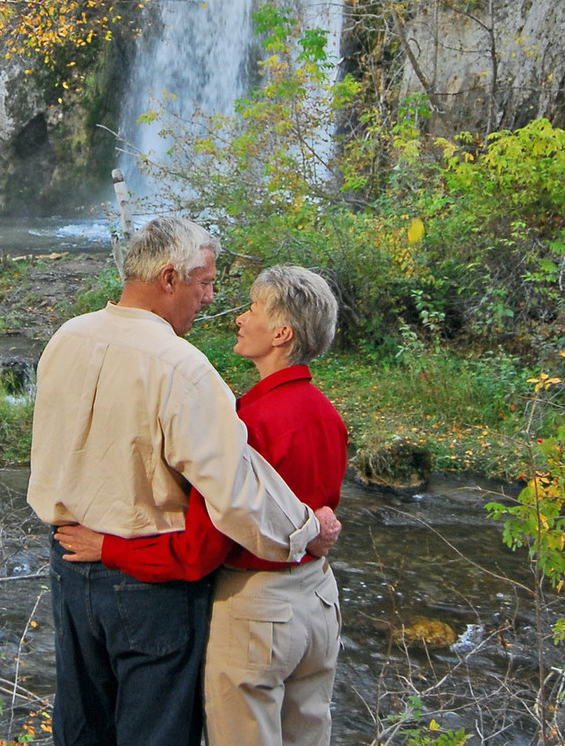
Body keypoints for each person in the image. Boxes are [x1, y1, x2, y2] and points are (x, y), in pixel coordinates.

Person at [27, 219, 340, 746]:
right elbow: (235, 496)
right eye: (205, 283)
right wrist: (307, 530)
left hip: (68, 560)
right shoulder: (183, 368)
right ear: (170, 278)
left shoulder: (65, 338)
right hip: (150, 582)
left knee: (81, 727)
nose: (210, 298)